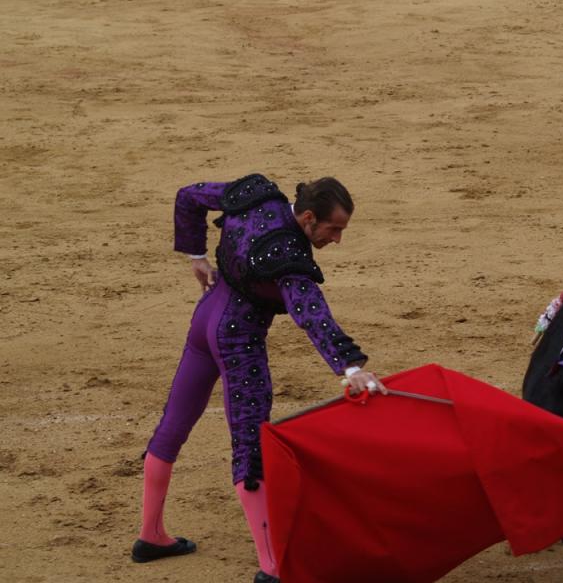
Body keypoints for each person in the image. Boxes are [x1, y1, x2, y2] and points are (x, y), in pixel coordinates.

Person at [131, 173, 385, 583]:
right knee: (250, 449)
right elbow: (311, 314)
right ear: (307, 218)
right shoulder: (288, 254)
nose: (337, 239)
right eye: (333, 229)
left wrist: (196, 254)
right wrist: (351, 367)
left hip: (205, 319)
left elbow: (189, 196)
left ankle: (151, 535)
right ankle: (272, 567)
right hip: (238, 340)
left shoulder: (254, 196)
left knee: (173, 425)